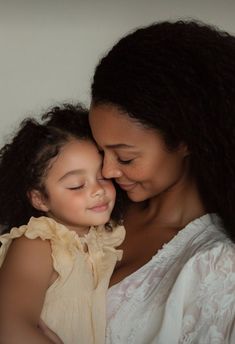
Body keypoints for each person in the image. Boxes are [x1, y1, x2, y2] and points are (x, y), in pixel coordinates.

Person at [88, 20, 235, 343]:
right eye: (100, 150)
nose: (108, 170)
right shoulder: (92, 206)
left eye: (125, 157)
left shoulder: (217, 267)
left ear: (184, 141)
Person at [0, 104, 125, 344]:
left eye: (102, 177)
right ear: (39, 198)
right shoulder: (36, 244)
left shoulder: (108, 238)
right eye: (77, 185)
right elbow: (9, 329)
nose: (98, 190)